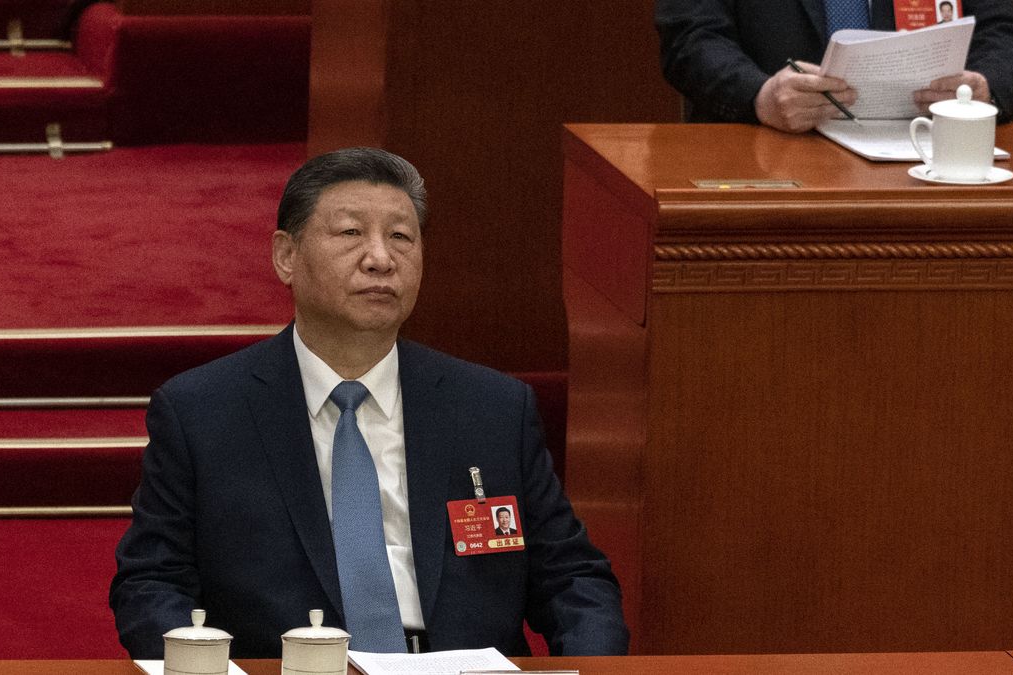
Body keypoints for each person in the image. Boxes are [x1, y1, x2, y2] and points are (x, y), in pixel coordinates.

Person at [109, 147, 630, 659]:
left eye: (401, 236)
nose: (381, 258)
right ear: (285, 256)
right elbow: (151, 583)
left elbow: (573, 580)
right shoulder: (202, 411)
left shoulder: (492, 407)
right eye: (351, 233)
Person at [655, 0, 1013, 132]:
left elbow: (1002, 32)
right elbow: (691, 35)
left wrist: (983, 89)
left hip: (925, 155)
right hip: (769, 154)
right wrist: (758, 96)